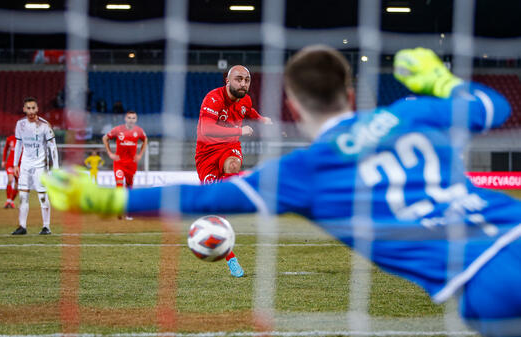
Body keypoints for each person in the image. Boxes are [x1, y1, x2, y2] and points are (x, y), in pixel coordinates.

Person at [43, 47, 521, 336]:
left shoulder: (306, 171)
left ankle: (226, 251)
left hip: (485, 281)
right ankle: (230, 254)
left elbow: (200, 200)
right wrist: (442, 80)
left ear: (292, 101)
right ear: (349, 93)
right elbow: (494, 106)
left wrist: (106, 199)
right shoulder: (412, 113)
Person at [195, 65, 272, 277]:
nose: (243, 84)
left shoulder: (245, 100)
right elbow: (206, 129)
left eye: (247, 80)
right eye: (239, 79)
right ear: (227, 81)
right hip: (206, 154)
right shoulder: (213, 99)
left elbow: (250, 111)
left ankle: (230, 201)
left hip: (229, 148)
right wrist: (239, 130)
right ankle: (231, 257)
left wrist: (262, 119)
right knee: (215, 208)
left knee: (233, 165)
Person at [12, 97, 59, 235]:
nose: (31, 111)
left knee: (42, 196)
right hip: (25, 165)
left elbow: (53, 147)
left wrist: (55, 168)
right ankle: (22, 226)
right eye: (28, 108)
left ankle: (46, 226)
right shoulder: (20, 124)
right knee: (23, 195)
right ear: (24, 109)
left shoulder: (45, 125)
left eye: (33, 108)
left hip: (40, 166)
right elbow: (18, 144)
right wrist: (16, 164)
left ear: (37, 109)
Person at [102, 110, 147, 220]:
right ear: (125, 119)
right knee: (119, 185)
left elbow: (145, 140)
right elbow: (105, 138)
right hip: (119, 163)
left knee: (129, 187)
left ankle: (128, 210)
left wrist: (140, 154)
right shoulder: (118, 130)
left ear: (136, 120)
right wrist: (110, 153)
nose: (131, 120)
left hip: (131, 164)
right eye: (129, 118)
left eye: (133, 118)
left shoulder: (139, 131)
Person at [2, 134, 21, 209]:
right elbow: (5, 149)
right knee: (10, 179)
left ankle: (11, 201)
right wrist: (3, 160)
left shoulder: (24, 139)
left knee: (17, 184)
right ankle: (8, 200)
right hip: (10, 163)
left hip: (20, 164)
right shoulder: (10, 139)